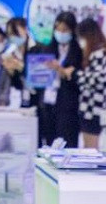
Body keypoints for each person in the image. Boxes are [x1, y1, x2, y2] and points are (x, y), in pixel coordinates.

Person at [34, 12, 82, 147]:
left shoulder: (79, 52)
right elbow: (37, 79)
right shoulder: (47, 49)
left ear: (72, 30)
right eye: (58, 29)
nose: (60, 33)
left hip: (67, 107)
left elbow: (79, 79)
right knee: (48, 143)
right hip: (47, 104)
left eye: (64, 30)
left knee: (67, 144)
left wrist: (61, 70)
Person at [74, 18, 106, 150]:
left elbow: (97, 80)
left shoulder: (99, 54)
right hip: (101, 108)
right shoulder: (105, 53)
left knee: (90, 149)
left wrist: (75, 74)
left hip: (93, 109)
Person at [4, 17, 32, 107]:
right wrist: (11, 72)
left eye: (15, 33)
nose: (13, 37)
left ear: (25, 29)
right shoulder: (10, 53)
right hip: (18, 101)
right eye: (10, 34)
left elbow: (39, 79)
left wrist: (21, 67)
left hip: (37, 100)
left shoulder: (38, 49)